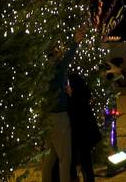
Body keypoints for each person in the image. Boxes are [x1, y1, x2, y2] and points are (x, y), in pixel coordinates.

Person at [40, 35, 78, 182]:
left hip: (48, 117)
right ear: (54, 54)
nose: (60, 54)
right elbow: (67, 60)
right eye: (57, 52)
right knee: (65, 159)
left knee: (51, 156)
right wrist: (75, 42)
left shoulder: (44, 70)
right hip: (60, 118)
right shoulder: (57, 67)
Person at [66, 71, 99, 182]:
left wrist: (71, 97)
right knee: (86, 161)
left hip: (81, 134)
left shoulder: (76, 100)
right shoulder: (82, 97)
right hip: (86, 133)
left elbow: (74, 113)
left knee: (82, 161)